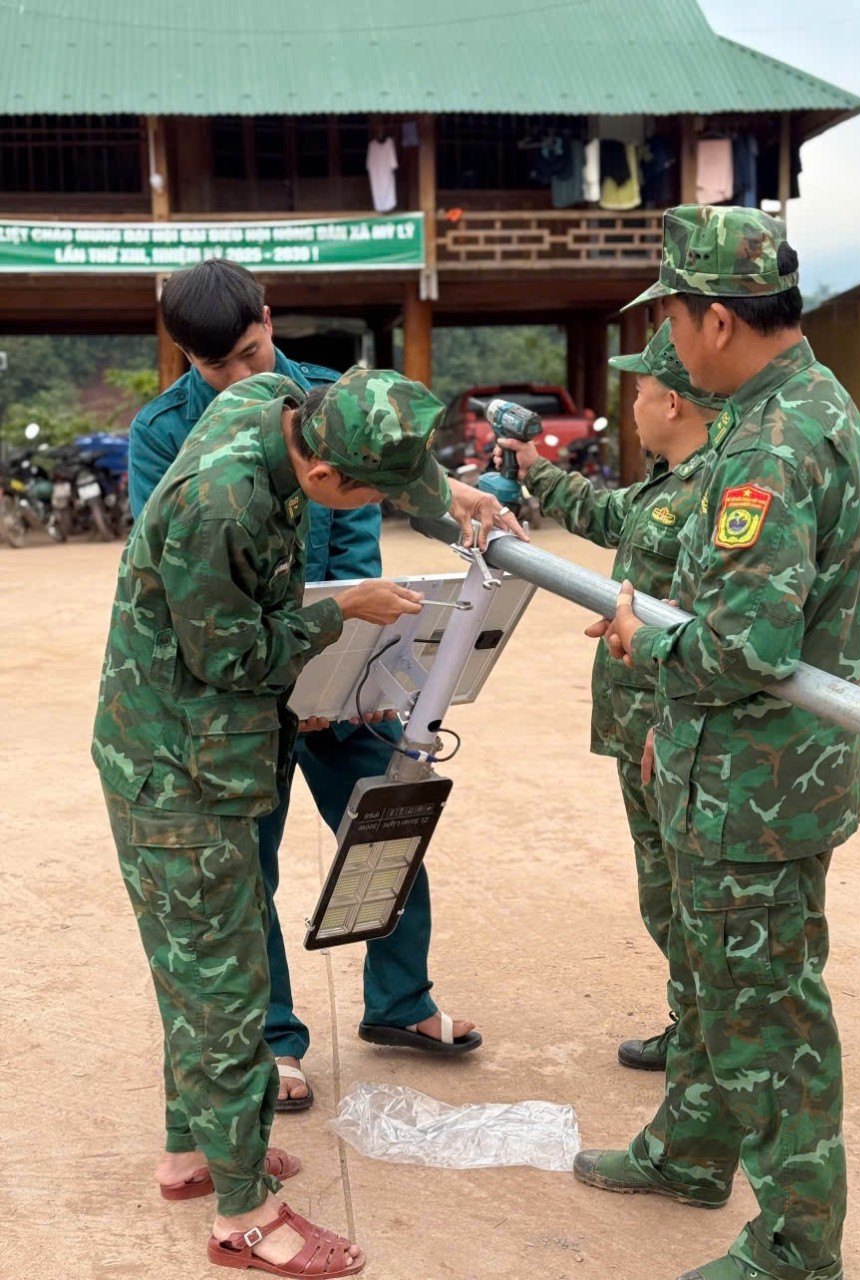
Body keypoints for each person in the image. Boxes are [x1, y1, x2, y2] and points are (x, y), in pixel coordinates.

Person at [94, 367, 515, 1276]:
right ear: (322, 475)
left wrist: (453, 495)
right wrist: (338, 617)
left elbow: (388, 454)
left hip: (200, 753)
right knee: (221, 984)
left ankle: (194, 1153)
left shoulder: (270, 399)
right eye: (368, 493)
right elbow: (232, 657)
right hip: (176, 765)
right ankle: (244, 1214)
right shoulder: (221, 507)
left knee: (203, 966)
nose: (374, 507)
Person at [573, 206, 860, 1280]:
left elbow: (745, 642)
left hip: (758, 791)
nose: (670, 337)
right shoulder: (801, 404)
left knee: (767, 1019)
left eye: (671, 313)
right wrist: (672, 715)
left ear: (712, 319)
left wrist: (646, 649)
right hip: (747, 773)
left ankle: (798, 1244)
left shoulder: (774, 439)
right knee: (717, 986)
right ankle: (692, 1149)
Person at [128, 260, 489, 1112]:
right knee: (245, 865)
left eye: (253, 351)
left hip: (345, 654)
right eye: (218, 367)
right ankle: (274, 1037)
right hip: (240, 668)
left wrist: (357, 668)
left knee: (388, 814)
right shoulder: (164, 433)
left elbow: (382, 500)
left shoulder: (332, 401)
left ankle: (401, 1002)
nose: (244, 378)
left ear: (267, 315)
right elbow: (185, 577)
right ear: (184, 355)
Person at [498, 321, 725, 1070]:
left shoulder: (714, 492)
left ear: (674, 403)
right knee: (663, 894)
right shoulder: (669, 484)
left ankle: (707, 1044)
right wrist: (532, 469)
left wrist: (673, 718)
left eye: (640, 388)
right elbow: (607, 517)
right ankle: (690, 1026)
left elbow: (716, 626)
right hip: (640, 726)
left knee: (684, 897)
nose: (630, 401)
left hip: (672, 727)